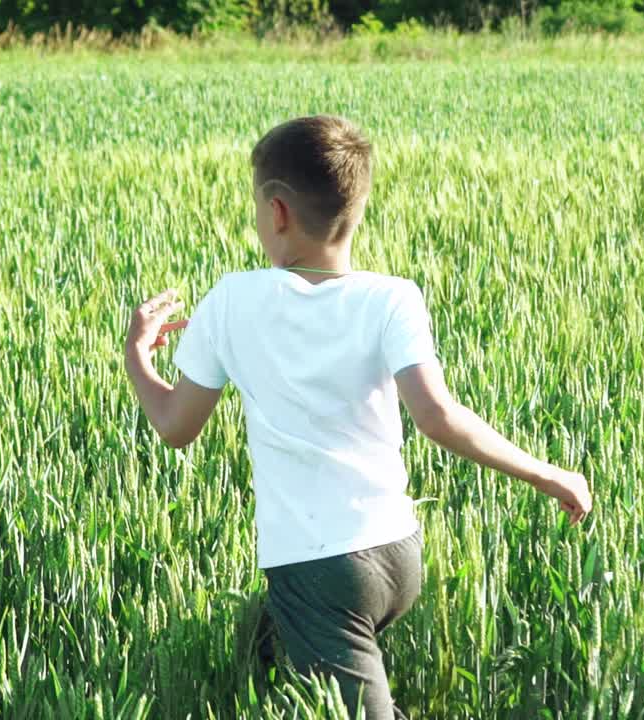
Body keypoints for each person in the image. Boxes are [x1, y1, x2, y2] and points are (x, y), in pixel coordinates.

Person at [123, 115, 593, 719]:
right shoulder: (393, 296)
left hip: (318, 569)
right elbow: (438, 416)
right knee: (261, 655)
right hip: (397, 553)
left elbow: (174, 426)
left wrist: (138, 357)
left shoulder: (232, 301)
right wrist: (549, 473)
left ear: (278, 213)